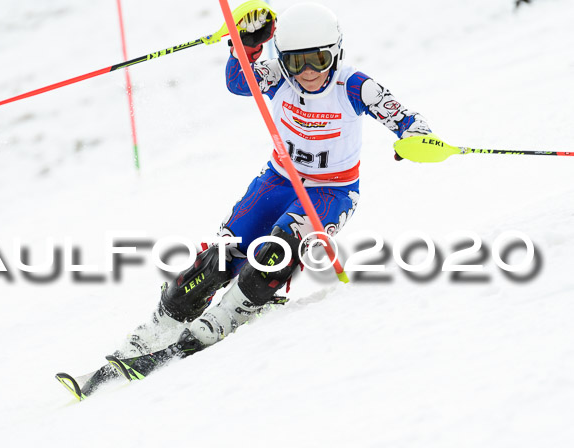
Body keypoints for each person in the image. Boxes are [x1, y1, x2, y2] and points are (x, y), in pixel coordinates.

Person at [111, 2, 431, 366]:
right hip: (278, 180)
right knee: (220, 257)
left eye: (319, 60)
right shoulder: (277, 74)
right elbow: (238, 83)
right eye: (298, 62)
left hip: (331, 190)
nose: (308, 72)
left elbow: (403, 117)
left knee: (277, 249)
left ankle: (228, 316)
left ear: (336, 52)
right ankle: (159, 325)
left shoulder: (354, 85)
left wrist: (417, 138)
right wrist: (244, 46)